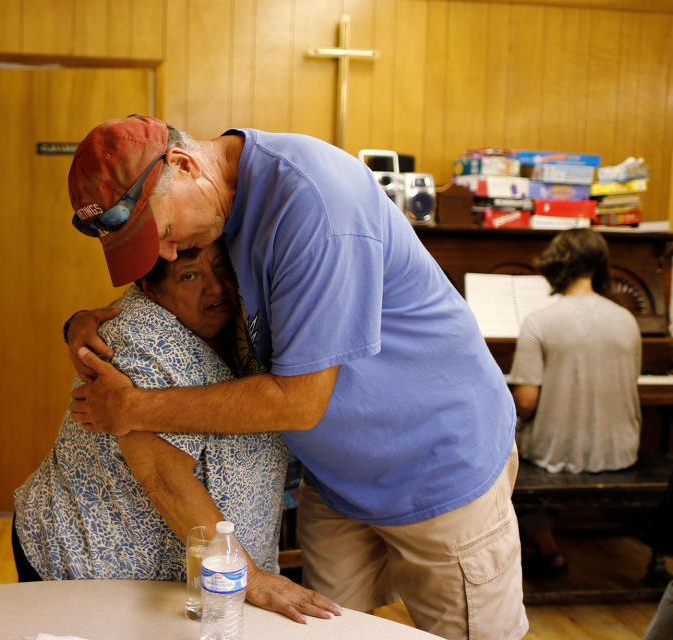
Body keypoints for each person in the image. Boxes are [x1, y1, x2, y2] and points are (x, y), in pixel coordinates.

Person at [63, 114, 528, 639]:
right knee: (316, 631)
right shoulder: (221, 208)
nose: (169, 254)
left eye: (165, 235)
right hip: (337, 482)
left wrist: (133, 407)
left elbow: (299, 401)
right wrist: (94, 319)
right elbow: (184, 290)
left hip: (434, 465)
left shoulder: (314, 203)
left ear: (186, 164)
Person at [12, 240, 339, 623]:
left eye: (221, 266)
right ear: (151, 288)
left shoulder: (245, 316)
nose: (215, 286)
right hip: (87, 568)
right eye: (189, 275)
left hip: (200, 578)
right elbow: (164, 478)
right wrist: (248, 576)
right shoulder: (136, 343)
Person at [508, 229, 642, 578]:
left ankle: (545, 546)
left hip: (560, 455)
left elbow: (525, 403)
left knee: (500, 457)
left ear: (554, 265)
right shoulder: (628, 320)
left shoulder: (540, 321)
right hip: (621, 451)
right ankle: (542, 542)